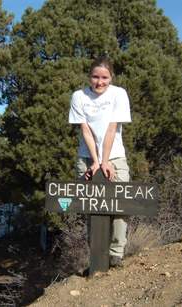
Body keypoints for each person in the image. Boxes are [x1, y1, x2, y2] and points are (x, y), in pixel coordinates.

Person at [68, 56, 131, 267]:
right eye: (95, 77)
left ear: (111, 77)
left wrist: (105, 162)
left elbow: (112, 128)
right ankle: (96, 255)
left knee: (121, 206)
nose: (99, 82)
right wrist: (95, 163)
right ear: (89, 77)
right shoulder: (79, 96)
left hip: (115, 156)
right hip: (87, 157)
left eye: (104, 77)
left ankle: (116, 254)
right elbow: (85, 129)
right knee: (91, 205)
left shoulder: (118, 94)